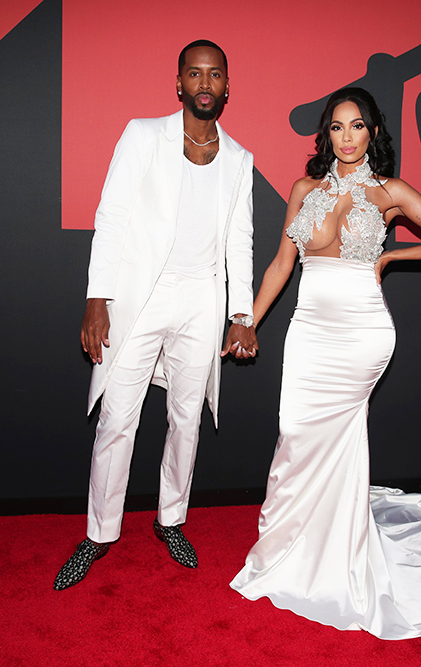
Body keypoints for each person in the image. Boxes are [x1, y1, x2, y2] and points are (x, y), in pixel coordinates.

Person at [230, 88, 421, 638]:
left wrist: (391, 256)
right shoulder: (303, 189)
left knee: (339, 440)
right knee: (295, 435)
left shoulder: (388, 191)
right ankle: (291, 548)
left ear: (373, 133)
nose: (347, 137)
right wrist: (246, 319)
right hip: (309, 330)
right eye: (337, 127)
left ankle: (338, 558)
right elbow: (279, 265)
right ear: (326, 135)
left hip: (363, 332)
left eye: (357, 126)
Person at [55, 40, 257, 591]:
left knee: (185, 419)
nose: (205, 83)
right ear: (179, 83)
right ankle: (99, 532)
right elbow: (112, 215)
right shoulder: (143, 135)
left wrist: (242, 313)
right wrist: (98, 300)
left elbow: (240, 241)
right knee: (118, 419)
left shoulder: (241, 160)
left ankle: (171, 519)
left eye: (215, 74)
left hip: (201, 300)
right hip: (140, 296)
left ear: (227, 86)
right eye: (195, 73)